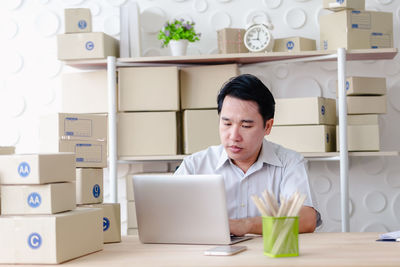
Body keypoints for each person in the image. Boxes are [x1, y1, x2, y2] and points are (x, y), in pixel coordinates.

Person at [175, 74, 320, 236]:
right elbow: (166, 213)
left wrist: (246, 225)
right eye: (227, 123)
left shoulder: (288, 162)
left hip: (270, 258)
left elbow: (307, 219)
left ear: (268, 126)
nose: (234, 135)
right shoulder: (195, 165)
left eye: (246, 125)